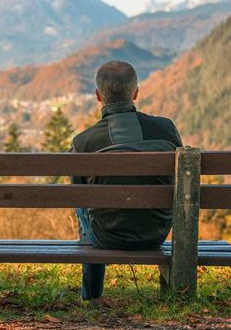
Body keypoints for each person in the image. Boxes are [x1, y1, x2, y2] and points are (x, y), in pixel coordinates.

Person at [69, 60, 183, 308]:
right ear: (136, 93)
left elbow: (77, 198)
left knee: (83, 203)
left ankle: (92, 294)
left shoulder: (83, 142)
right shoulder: (166, 130)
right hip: (156, 233)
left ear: (98, 96)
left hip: (105, 237)